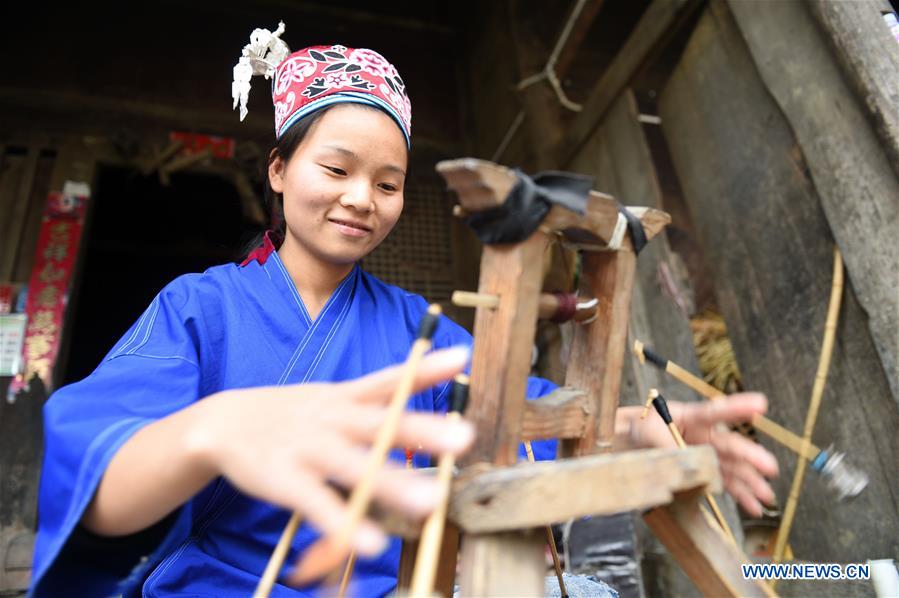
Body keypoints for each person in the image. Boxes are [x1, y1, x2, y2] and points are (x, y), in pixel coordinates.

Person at [31, 28, 779, 598]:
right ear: (280, 171)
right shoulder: (201, 309)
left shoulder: (409, 329)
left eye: (388, 184)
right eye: (336, 169)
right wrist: (210, 432)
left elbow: (519, 424)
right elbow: (97, 483)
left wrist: (642, 426)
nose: (362, 198)